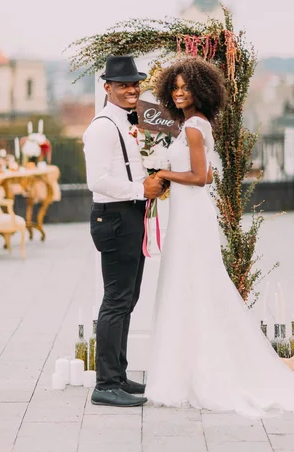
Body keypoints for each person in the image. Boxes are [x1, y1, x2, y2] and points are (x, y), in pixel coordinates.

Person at [145, 56, 294, 417]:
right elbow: (204, 175)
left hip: (192, 215)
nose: (180, 92)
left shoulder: (195, 127)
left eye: (186, 87)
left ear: (201, 90)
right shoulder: (192, 125)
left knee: (193, 282)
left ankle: (192, 371)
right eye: (175, 87)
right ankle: (188, 366)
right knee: (190, 283)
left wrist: (163, 171)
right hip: (187, 213)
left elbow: (201, 177)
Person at [83, 55, 164, 407]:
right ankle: (106, 384)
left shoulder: (130, 121)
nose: (132, 90)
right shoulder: (102, 127)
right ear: (107, 88)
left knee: (127, 299)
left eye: (135, 84)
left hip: (130, 216)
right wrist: (139, 190)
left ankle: (118, 374)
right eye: (123, 85)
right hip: (114, 217)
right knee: (116, 300)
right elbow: (97, 180)